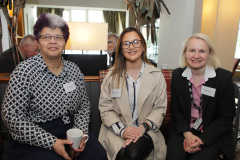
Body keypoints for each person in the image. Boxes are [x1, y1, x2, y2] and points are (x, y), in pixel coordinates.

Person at [1, 13, 107, 160]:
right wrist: (51, 142)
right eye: (46, 37)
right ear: (37, 41)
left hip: (70, 131)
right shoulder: (24, 71)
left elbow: (83, 105)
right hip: (33, 137)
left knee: (99, 156)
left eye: (58, 37)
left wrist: (81, 134)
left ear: (65, 41)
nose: (52, 41)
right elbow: (12, 116)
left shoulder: (74, 70)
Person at [98, 27, 167, 160]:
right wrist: (123, 131)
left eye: (136, 42)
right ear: (121, 49)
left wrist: (142, 128)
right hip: (116, 130)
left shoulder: (157, 76)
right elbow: (106, 110)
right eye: (126, 43)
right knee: (125, 154)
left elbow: (159, 108)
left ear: (143, 46)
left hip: (147, 130)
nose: (131, 47)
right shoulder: (111, 76)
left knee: (133, 154)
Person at [166, 33, 235, 160]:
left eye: (202, 51)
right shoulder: (177, 75)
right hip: (184, 128)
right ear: (185, 53)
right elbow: (176, 109)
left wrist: (201, 140)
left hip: (212, 132)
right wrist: (187, 134)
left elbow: (226, 117)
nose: (196, 56)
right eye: (192, 50)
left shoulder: (223, 78)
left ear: (210, 54)